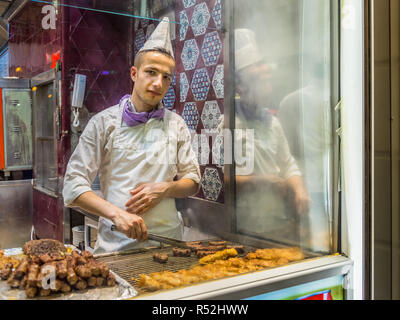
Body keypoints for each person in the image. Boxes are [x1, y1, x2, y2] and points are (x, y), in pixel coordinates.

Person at [62, 18, 201, 254]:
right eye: (151, 72)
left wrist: (165, 188)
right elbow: (73, 187)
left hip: (168, 245)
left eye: (166, 77)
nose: (158, 83)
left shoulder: (175, 124)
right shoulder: (103, 123)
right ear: (134, 73)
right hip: (116, 249)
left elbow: (193, 181)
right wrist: (116, 214)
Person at [222, 29, 310, 244]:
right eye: (259, 82)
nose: (267, 89)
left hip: (278, 218)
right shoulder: (230, 123)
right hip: (245, 225)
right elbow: (224, 179)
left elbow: (288, 164)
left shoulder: (272, 122)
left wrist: (300, 191)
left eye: (267, 81)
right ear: (241, 87)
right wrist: (263, 181)